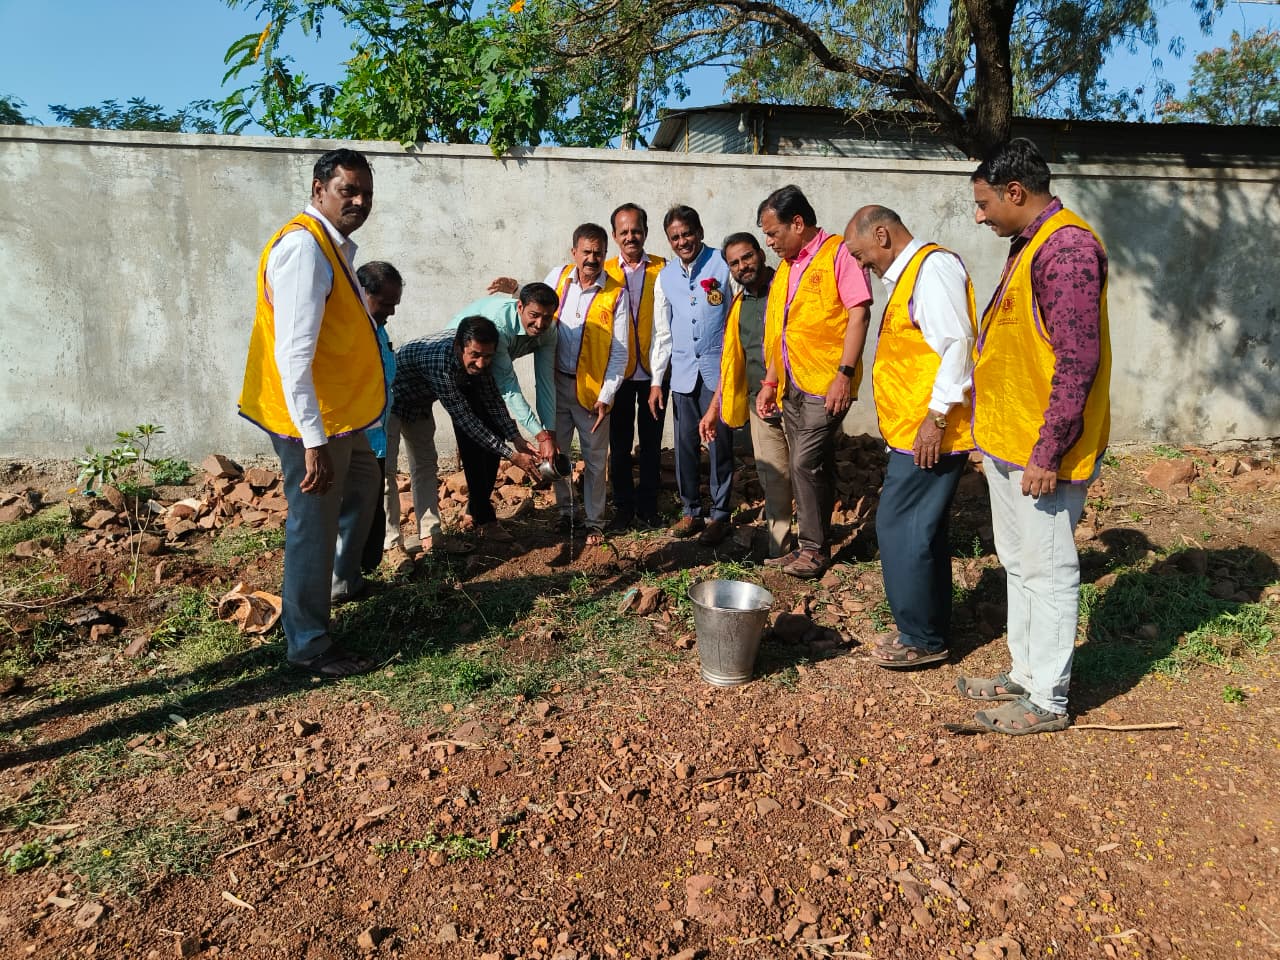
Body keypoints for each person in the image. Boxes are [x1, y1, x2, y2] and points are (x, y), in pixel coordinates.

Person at [956, 137, 1111, 734]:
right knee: (1018, 562)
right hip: (1009, 442)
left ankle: (1047, 698)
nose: (979, 214)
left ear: (1014, 193)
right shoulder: (1031, 244)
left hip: (1040, 451)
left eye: (983, 202)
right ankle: (1025, 672)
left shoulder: (1067, 249)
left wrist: (1048, 451)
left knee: (1048, 569)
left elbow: (1076, 361)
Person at [237, 148, 382, 678]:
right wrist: (314, 439)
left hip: (339, 415)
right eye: (349, 191)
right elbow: (294, 354)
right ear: (319, 189)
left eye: (366, 192)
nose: (360, 201)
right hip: (310, 420)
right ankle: (309, 644)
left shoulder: (328, 246)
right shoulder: (304, 249)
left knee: (365, 479)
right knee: (311, 524)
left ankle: (343, 583)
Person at [843, 206, 976, 669]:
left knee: (899, 527)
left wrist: (936, 418)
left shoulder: (931, 269)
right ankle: (930, 627)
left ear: (882, 234)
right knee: (922, 529)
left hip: (930, 431)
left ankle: (920, 637)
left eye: (862, 254)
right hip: (916, 430)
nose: (862, 265)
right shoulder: (910, 277)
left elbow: (958, 345)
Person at [755, 185, 874, 578]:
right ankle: (815, 543)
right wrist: (771, 381)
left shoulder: (839, 253)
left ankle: (811, 547)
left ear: (798, 223)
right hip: (792, 381)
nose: (768, 242)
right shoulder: (789, 267)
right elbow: (781, 332)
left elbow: (858, 314)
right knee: (813, 462)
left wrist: (845, 374)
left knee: (804, 462)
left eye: (772, 233)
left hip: (826, 383)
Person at [390, 318, 542, 545]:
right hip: (389, 402)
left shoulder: (481, 357)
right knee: (386, 473)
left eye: (488, 356)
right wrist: (511, 455)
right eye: (475, 355)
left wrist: (515, 437)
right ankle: (391, 545)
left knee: (425, 465)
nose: (481, 363)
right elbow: (466, 420)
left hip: (419, 405)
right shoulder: (439, 361)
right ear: (459, 347)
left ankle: (431, 535)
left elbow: (493, 400)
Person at [698, 233, 794, 559]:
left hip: (796, 400)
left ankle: (814, 548)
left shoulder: (786, 287)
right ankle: (781, 552)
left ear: (760, 254)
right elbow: (730, 365)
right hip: (760, 406)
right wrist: (714, 410)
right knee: (774, 480)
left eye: (747, 257)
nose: (743, 266)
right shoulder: (739, 304)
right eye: (735, 263)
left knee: (808, 477)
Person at [651, 205, 735, 546]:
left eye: (687, 233)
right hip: (683, 374)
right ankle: (691, 510)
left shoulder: (722, 263)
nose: (682, 241)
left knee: (719, 446)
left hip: (716, 373)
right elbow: (663, 332)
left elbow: (732, 317)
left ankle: (720, 514)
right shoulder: (666, 276)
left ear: (699, 231)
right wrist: (658, 379)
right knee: (685, 445)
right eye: (675, 237)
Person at [543, 224, 630, 545]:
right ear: (574, 253)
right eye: (586, 252)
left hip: (593, 393)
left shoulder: (615, 294)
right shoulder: (557, 278)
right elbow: (535, 307)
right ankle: (566, 511)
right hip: (556, 387)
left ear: (605, 255)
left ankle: (595, 521)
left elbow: (620, 353)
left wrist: (607, 394)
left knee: (595, 460)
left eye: (598, 253)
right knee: (559, 454)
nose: (592, 259)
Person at [604, 203, 668, 530]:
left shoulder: (663, 268)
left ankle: (648, 507)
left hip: (655, 374)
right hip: (618, 375)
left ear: (645, 230)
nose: (631, 236)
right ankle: (623, 508)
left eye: (636, 230)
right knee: (619, 444)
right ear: (615, 236)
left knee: (651, 442)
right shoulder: (604, 272)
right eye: (624, 231)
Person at [355, 260, 413, 576]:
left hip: (376, 438)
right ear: (364, 293)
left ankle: (360, 575)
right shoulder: (348, 330)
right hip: (353, 440)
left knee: (371, 511)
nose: (391, 311)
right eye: (386, 303)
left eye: (395, 304)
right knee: (354, 514)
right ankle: (345, 578)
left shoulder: (378, 329)